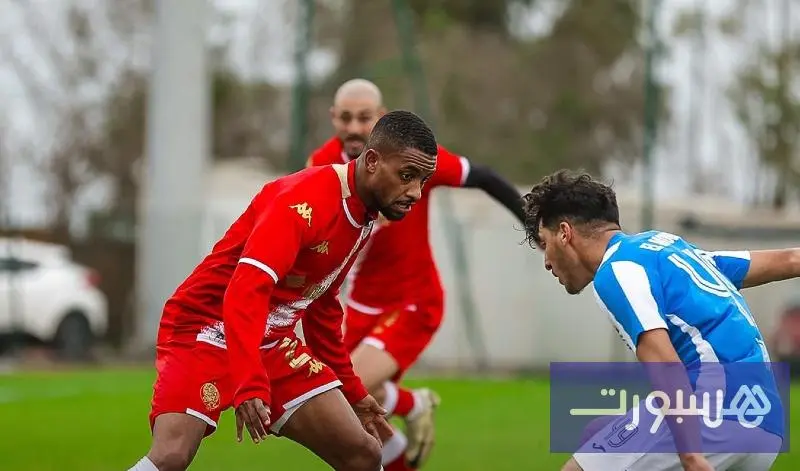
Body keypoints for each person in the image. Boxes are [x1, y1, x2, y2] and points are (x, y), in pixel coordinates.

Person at [127, 110, 439, 471]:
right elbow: (245, 292)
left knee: (364, 454)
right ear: (372, 161)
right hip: (207, 330)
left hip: (271, 342)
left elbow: (322, 308)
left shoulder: (364, 213)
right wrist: (249, 382)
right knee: (171, 457)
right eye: (407, 175)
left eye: (422, 179)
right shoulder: (303, 200)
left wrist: (353, 391)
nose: (415, 191)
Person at [307, 78, 525, 470]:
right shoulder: (321, 165)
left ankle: (411, 403)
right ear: (333, 118)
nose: (355, 127)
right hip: (357, 305)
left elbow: (484, 176)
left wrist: (532, 225)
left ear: (381, 116)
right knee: (357, 421)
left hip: (412, 301)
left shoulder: (413, 154)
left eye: (364, 118)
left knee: (348, 388)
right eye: (346, 118)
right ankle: (405, 423)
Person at [522, 169, 798, 471]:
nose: (547, 261)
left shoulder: (616, 272)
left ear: (565, 233)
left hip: (716, 413)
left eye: (545, 243)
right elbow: (790, 259)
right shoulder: (668, 247)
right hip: (766, 425)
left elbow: (666, 362)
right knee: (596, 432)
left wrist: (691, 456)